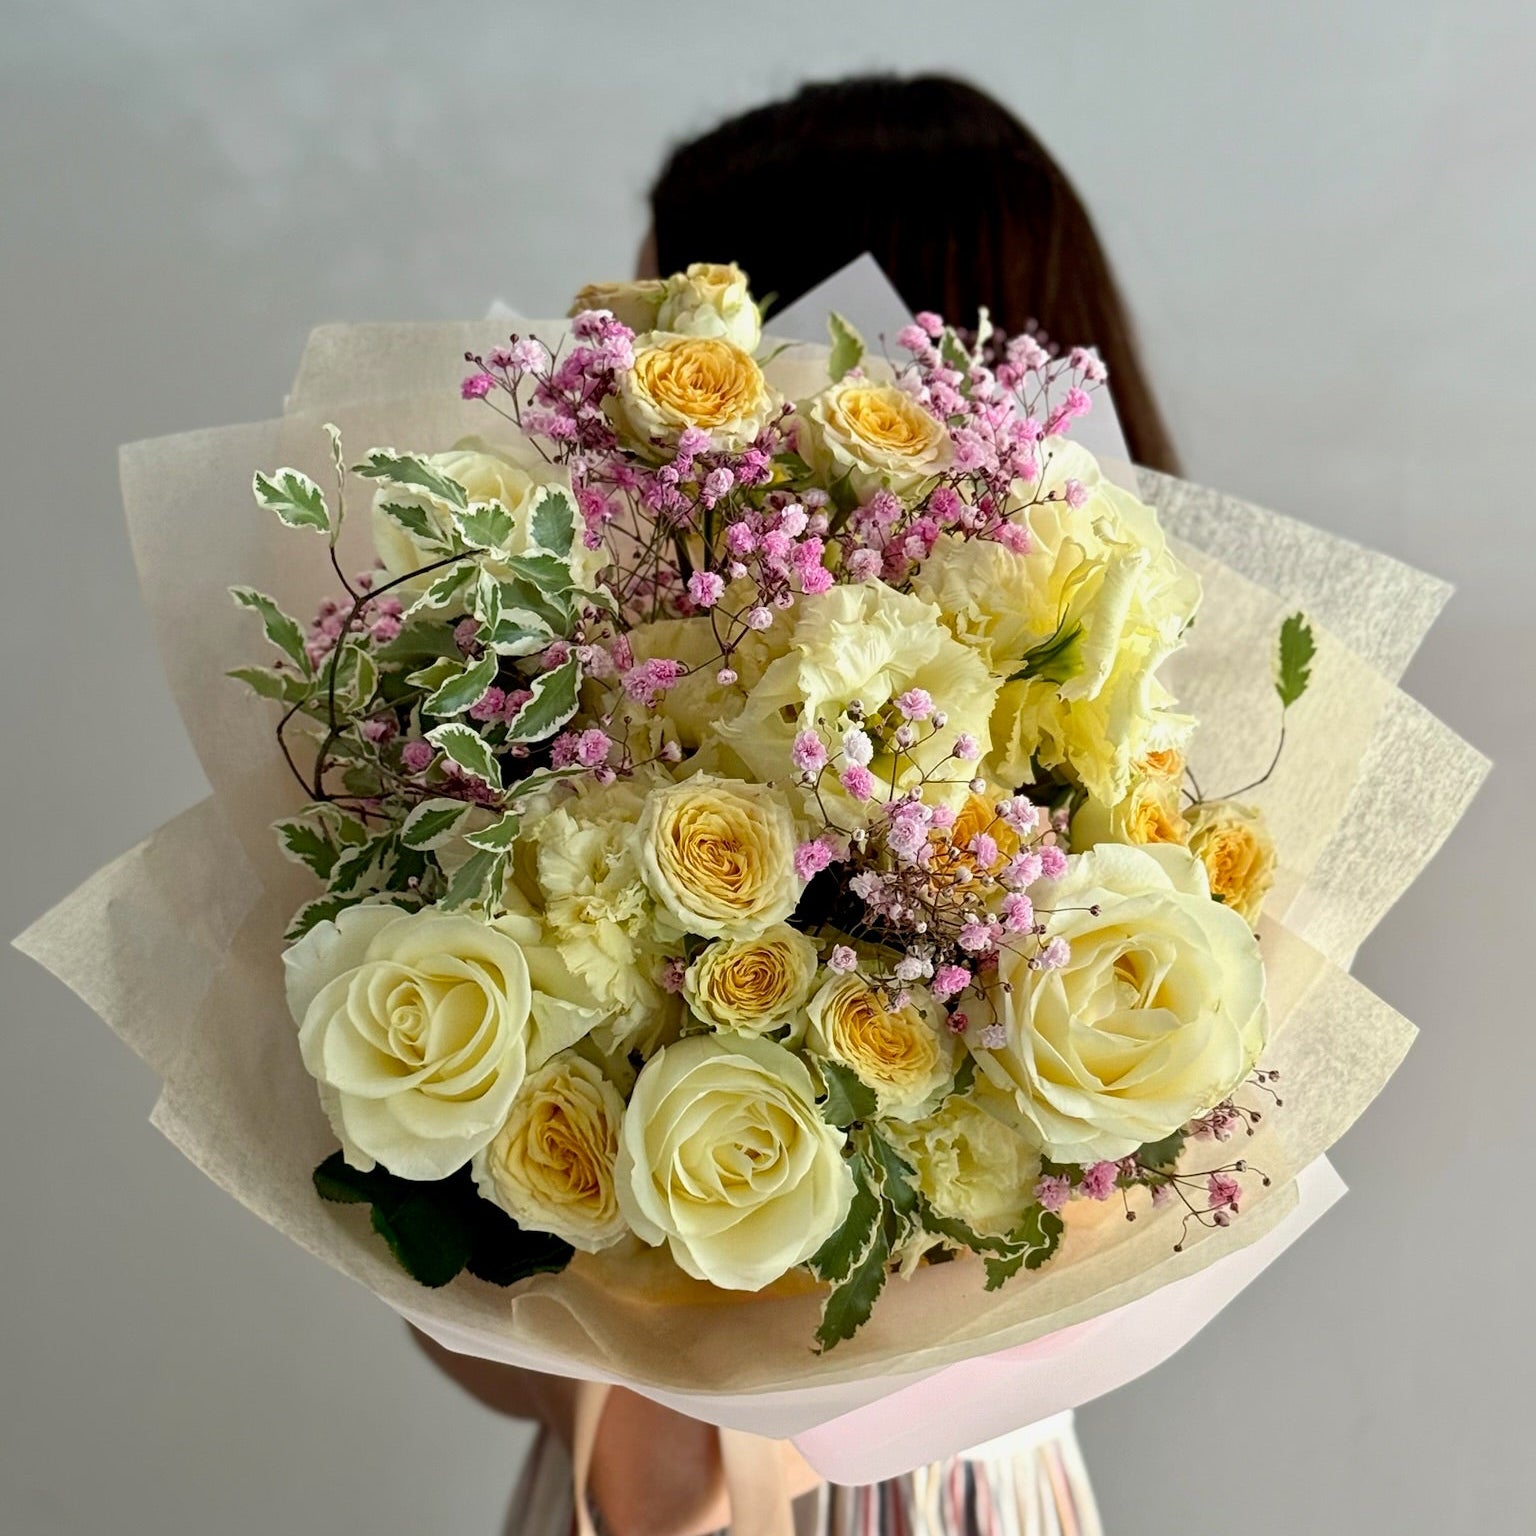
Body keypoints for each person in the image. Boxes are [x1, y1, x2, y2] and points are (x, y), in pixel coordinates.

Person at [422, 72, 1163, 1535]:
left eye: (667, 318)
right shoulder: (560, 698)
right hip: (677, 1472)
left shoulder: (1139, 755)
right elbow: (459, 1307)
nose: (621, 366)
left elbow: (1156, 1221)